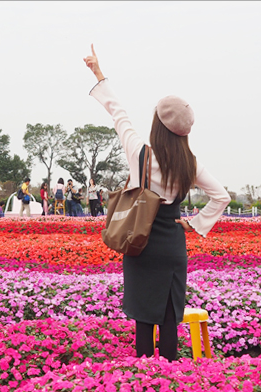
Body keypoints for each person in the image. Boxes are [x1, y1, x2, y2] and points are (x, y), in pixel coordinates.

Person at [84, 44, 230, 361]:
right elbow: (222, 196)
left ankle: (144, 376)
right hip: (173, 244)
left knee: (143, 315)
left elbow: (118, 113)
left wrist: (98, 72)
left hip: (142, 240)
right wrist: (194, 223)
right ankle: (169, 375)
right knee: (168, 315)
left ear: (158, 125)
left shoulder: (141, 153)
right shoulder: (190, 163)